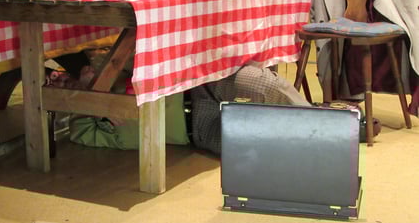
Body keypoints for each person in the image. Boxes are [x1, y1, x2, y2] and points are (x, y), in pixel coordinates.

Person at [53, 52, 309, 154]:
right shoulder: (83, 125)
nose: (55, 78)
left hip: (202, 83)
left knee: (264, 86)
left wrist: (97, 79)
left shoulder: (108, 66)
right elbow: (80, 128)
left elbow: (138, 53)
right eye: (49, 82)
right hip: (198, 130)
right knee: (266, 146)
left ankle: (326, 129)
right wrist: (98, 105)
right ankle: (318, 149)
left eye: (55, 74)